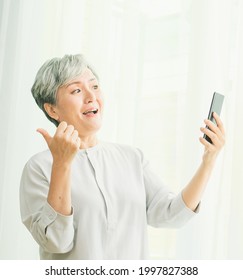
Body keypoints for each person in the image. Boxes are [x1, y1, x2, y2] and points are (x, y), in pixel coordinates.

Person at [19, 54, 225, 260]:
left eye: (95, 86)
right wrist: (62, 165)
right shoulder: (39, 167)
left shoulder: (132, 158)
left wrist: (209, 160)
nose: (91, 96)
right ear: (52, 109)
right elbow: (57, 242)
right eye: (76, 90)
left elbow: (173, 215)